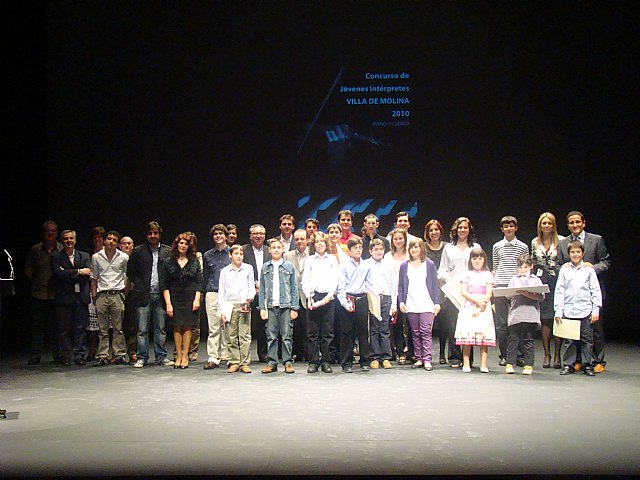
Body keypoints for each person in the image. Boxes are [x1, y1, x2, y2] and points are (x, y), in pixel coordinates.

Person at [556, 211, 610, 373]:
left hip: (589, 295)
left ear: (583, 223)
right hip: (571, 297)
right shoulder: (563, 243)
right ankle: (576, 362)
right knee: (572, 334)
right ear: (568, 225)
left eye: (578, 222)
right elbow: (558, 265)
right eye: (571, 223)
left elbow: (605, 261)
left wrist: (592, 268)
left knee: (594, 332)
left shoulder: (596, 240)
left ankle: (597, 361)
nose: (575, 225)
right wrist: (563, 267)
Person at [127, 221, 174, 368]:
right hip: (143, 294)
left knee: (160, 328)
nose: (153, 236)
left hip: (161, 294)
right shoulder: (138, 251)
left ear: (160, 234)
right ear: (146, 235)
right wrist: (140, 284)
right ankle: (142, 357)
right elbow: (130, 272)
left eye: (155, 233)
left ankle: (161, 356)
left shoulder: (167, 251)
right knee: (142, 329)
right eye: (150, 233)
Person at [437, 217, 480, 368]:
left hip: (471, 290)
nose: (462, 230)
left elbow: (480, 266)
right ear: (455, 230)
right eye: (460, 227)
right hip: (453, 291)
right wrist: (448, 279)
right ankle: (455, 357)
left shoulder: (475, 247)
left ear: (469, 230)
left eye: (465, 227)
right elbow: (442, 269)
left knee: (469, 324)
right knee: (453, 324)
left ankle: (468, 357)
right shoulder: (449, 248)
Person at [555, 240, 602, 377]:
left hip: (585, 309)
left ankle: (587, 364)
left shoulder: (589, 270)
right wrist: (559, 310)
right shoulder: (564, 270)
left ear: (582, 253)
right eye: (572, 252)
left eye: (578, 252)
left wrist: (596, 309)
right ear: (568, 254)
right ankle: (568, 364)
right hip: (569, 310)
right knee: (569, 340)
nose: (575, 255)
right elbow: (559, 290)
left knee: (587, 339)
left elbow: (595, 290)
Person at [160, 232, 203, 369]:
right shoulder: (168, 262)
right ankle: (178, 355)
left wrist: (197, 299)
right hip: (174, 297)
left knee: (188, 326)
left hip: (190, 297)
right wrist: (168, 304)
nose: (183, 245)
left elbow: (199, 282)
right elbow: (164, 284)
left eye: (186, 244)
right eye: (181, 243)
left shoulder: (194, 261)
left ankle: (185, 356)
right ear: (177, 245)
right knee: (177, 326)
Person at [491, 215, 529, 366]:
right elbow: (496, 266)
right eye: (506, 226)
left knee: (517, 321)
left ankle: (519, 355)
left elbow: (525, 266)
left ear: (516, 228)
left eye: (511, 226)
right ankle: (504, 355)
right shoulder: (497, 246)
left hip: (516, 286)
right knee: (501, 323)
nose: (509, 228)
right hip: (500, 285)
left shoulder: (523, 246)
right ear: (502, 229)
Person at [397, 239, 441, 371]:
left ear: (421, 248)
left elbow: (435, 285)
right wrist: (401, 301)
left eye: (416, 247)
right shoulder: (404, 265)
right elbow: (401, 285)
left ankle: (427, 359)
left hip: (426, 302)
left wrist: (437, 302)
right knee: (415, 332)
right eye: (411, 248)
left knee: (425, 331)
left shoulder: (429, 264)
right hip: (411, 302)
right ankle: (419, 358)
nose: (413, 250)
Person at [50, 230, 91, 366]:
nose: (69, 241)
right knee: (64, 329)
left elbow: (88, 273)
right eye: (66, 239)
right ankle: (65, 356)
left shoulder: (84, 256)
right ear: (62, 241)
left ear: (75, 240)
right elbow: (58, 274)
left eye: (71, 238)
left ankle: (79, 355)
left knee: (80, 328)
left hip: (81, 297)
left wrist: (67, 272)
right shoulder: (56, 256)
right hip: (64, 298)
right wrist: (79, 271)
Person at [25, 221, 63, 365]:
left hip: (56, 294)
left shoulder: (61, 249)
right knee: (37, 326)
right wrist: (37, 281)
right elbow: (28, 270)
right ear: (43, 232)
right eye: (47, 231)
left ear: (56, 233)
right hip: (38, 294)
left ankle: (57, 354)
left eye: (53, 231)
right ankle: (35, 355)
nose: (50, 233)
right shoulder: (35, 250)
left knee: (56, 326)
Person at [259, 238, 299, 374]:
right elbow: (262, 289)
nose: (276, 250)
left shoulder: (289, 266)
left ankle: (288, 362)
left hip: (285, 305)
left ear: (283, 250)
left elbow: (294, 288)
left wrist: (294, 307)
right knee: (271, 336)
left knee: (287, 335)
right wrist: (262, 308)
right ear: (269, 250)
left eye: (278, 247)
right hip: (271, 306)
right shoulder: (265, 267)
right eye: (273, 247)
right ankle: (272, 362)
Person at [302, 232, 339, 373]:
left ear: (326, 243)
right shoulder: (310, 260)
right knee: (312, 332)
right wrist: (309, 297)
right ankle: (313, 362)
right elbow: (306, 279)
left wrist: (329, 296)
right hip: (314, 297)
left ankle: (326, 361)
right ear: (313, 244)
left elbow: (335, 279)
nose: (320, 243)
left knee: (327, 332)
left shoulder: (332, 259)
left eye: (322, 241)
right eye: (317, 241)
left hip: (328, 298)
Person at [90, 230, 129, 367]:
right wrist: (94, 295)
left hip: (117, 294)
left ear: (117, 244)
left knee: (118, 328)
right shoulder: (96, 257)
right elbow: (94, 278)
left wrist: (124, 294)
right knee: (103, 329)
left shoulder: (123, 257)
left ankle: (119, 354)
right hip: (102, 294)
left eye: (114, 240)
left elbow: (127, 276)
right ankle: (103, 355)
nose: (111, 241)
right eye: (109, 239)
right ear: (104, 240)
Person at [531, 212, 564, 368]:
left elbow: (565, 260)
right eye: (544, 223)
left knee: (557, 317)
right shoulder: (535, 242)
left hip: (557, 281)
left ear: (553, 225)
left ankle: (557, 355)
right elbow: (532, 262)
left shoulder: (561, 240)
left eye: (549, 223)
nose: (546, 226)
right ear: (540, 225)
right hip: (541, 282)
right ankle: (547, 354)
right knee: (544, 318)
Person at [455, 247, 496, 373]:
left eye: (480, 258)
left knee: (483, 334)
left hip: (483, 306)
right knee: (468, 334)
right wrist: (476, 301)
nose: (477, 261)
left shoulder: (487, 274)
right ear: (470, 260)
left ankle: (483, 364)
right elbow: (463, 291)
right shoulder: (466, 274)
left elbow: (489, 292)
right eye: (474, 258)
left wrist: (483, 302)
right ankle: (466, 363)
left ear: (484, 260)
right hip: (469, 306)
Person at [337, 236, 373, 373]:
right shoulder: (344, 265)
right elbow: (341, 286)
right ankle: (346, 363)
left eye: (360, 247)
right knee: (347, 332)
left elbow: (369, 283)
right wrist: (345, 303)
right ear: (349, 251)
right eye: (355, 248)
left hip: (362, 299)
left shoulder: (366, 265)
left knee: (363, 331)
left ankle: (365, 361)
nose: (358, 250)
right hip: (349, 298)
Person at [219, 245, 255, 373]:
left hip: (243, 304)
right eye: (236, 254)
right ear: (230, 255)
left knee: (245, 335)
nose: (239, 256)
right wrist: (223, 310)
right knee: (231, 336)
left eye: (241, 254)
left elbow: (251, 286)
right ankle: (234, 361)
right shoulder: (225, 271)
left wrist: (250, 297)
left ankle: (244, 362)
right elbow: (222, 291)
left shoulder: (248, 268)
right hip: (230, 305)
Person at [505, 254, 544, 375]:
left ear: (531, 266)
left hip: (530, 314)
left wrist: (526, 293)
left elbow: (540, 297)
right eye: (520, 267)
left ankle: (528, 364)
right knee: (513, 339)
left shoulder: (535, 280)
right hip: (516, 313)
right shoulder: (514, 279)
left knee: (529, 339)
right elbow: (508, 295)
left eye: (526, 267)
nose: (523, 270)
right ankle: (510, 363)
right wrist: (516, 292)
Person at [202, 224, 231, 370]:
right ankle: (213, 357)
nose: (218, 236)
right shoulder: (207, 255)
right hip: (212, 292)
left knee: (228, 327)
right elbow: (205, 276)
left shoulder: (232, 253)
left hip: (229, 295)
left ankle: (228, 356)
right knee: (213, 328)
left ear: (226, 236)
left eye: (221, 233)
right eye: (215, 234)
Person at [242, 224, 271, 362]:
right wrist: (253, 286)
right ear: (250, 236)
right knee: (244, 325)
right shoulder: (243, 250)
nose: (258, 236)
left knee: (264, 326)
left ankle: (263, 353)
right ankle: (243, 355)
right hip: (247, 293)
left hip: (266, 294)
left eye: (261, 233)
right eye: (255, 233)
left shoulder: (269, 250)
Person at [385, 227, 412, 365]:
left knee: (410, 323)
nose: (398, 241)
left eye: (401, 238)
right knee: (396, 324)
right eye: (395, 239)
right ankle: (399, 351)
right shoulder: (387, 256)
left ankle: (411, 352)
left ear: (405, 239)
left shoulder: (410, 254)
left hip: (409, 291)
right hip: (393, 292)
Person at [366, 239, 394, 369]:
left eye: (381, 249)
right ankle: (374, 357)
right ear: (370, 251)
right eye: (376, 249)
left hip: (385, 297)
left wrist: (393, 304)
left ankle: (386, 357)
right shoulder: (366, 264)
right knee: (373, 328)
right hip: (372, 298)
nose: (379, 252)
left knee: (384, 328)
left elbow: (393, 284)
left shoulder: (388, 265)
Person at [423, 219, 447, 364]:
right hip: (427, 288)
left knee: (444, 323)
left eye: (436, 229)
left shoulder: (447, 247)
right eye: (431, 230)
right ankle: (425, 354)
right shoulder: (423, 247)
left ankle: (443, 354)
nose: (434, 232)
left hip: (444, 288)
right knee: (426, 325)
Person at [285, 229, 309, 362]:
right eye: (297, 239)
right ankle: (297, 352)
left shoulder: (313, 254)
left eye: (302, 239)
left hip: (308, 295)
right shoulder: (288, 256)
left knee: (308, 326)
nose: (299, 241)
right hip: (293, 295)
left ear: (307, 240)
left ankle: (308, 352)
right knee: (295, 326)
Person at [85, 227, 107, 361]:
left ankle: (107, 351)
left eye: (100, 237)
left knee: (108, 324)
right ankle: (93, 349)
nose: (97, 239)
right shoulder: (89, 255)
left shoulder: (109, 253)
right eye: (95, 237)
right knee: (92, 324)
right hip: (92, 290)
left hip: (107, 290)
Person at [118, 236, 137, 363]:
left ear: (133, 246)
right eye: (124, 243)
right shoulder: (116, 258)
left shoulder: (136, 258)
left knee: (133, 324)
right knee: (119, 325)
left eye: (129, 243)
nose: (127, 246)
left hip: (132, 293)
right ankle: (118, 352)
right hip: (117, 292)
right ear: (120, 246)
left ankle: (132, 351)